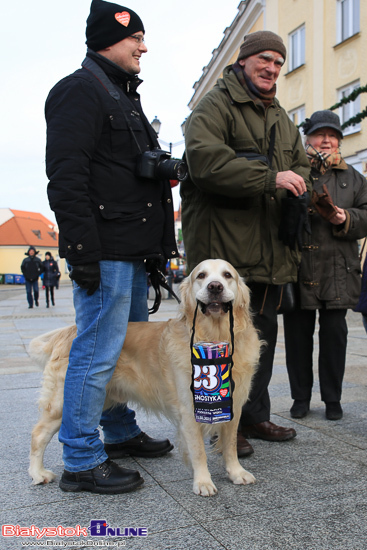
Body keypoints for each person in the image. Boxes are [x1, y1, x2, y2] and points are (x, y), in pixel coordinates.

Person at [45, 0, 178, 495]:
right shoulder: (79, 90)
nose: (144, 46)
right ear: (108, 39)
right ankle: (80, 459)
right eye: (135, 38)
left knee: (123, 352)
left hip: (131, 248)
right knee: (97, 354)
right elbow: (66, 178)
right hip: (105, 251)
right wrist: (82, 252)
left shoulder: (121, 94)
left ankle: (118, 432)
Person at [181, 30, 311, 458]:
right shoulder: (215, 105)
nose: (272, 68)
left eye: (279, 61)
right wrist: (270, 177)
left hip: (268, 249)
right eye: (265, 59)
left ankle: (252, 416)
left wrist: (296, 181)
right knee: (215, 342)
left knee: (256, 338)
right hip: (224, 249)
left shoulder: (280, 115)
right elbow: (205, 162)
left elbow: (300, 165)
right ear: (244, 60)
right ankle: (223, 430)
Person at [283, 110, 367, 421]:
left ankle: (333, 400)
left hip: (339, 271)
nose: (327, 140)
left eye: (333, 135)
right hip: (300, 267)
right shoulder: (295, 171)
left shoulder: (354, 178)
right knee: (297, 338)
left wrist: (347, 218)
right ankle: (300, 398)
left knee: (335, 338)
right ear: (308, 138)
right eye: (321, 134)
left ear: (340, 141)